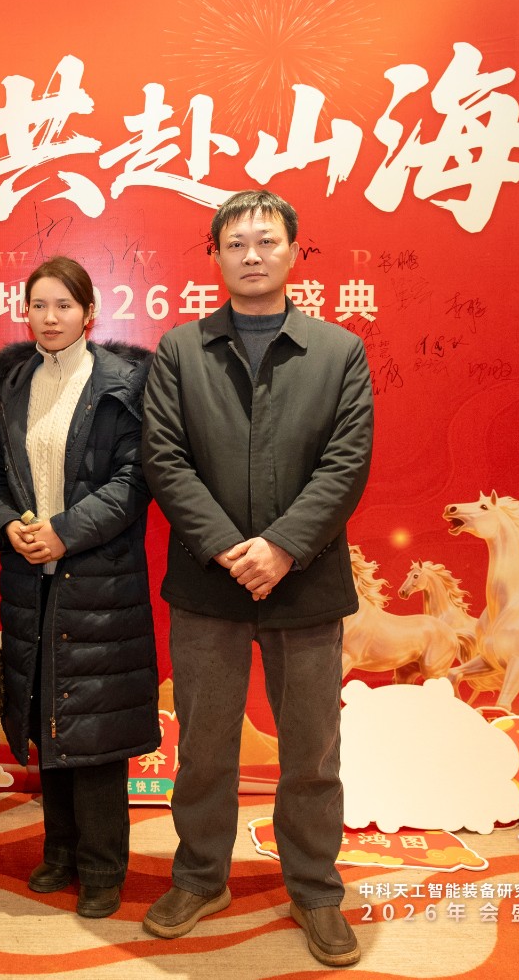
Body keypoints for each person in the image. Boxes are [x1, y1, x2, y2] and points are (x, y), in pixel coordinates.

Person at [140, 190, 373, 967]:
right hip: (208, 584)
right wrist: (227, 548)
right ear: (215, 256)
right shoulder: (181, 351)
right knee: (205, 747)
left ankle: (315, 890)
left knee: (311, 752)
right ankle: (199, 877)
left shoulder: (338, 351)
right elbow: (164, 459)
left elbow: (345, 464)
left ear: (293, 252)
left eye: (266, 240)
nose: (252, 254)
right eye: (235, 242)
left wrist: (281, 548)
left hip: (305, 583)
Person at [0, 256, 159, 919]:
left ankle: (104, 868)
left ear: (89, 313)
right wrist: (8, 526)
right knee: (44, 716)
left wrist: (63, 533)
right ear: (25, 312)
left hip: (98, 579)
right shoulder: (16, 384)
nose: (49, 318)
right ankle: (60, 852)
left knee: (96, 731)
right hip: (31, 579)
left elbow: (135, 479)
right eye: (38, 305)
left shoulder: (120, 384)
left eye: (63, 305)